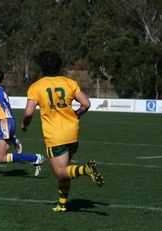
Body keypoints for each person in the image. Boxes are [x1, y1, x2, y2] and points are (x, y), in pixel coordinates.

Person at [21, 50, 104, 212]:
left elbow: (29, 112)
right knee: (65, 170)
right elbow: (86, 104)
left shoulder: (36, 86)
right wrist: (77, 114)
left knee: (60, 173)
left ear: (42, 67)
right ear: (59, 65)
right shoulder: (69, 82)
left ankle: (86, 169)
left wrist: (24, 124)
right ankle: (62, 203)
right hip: (73, 132)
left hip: (55, 135)